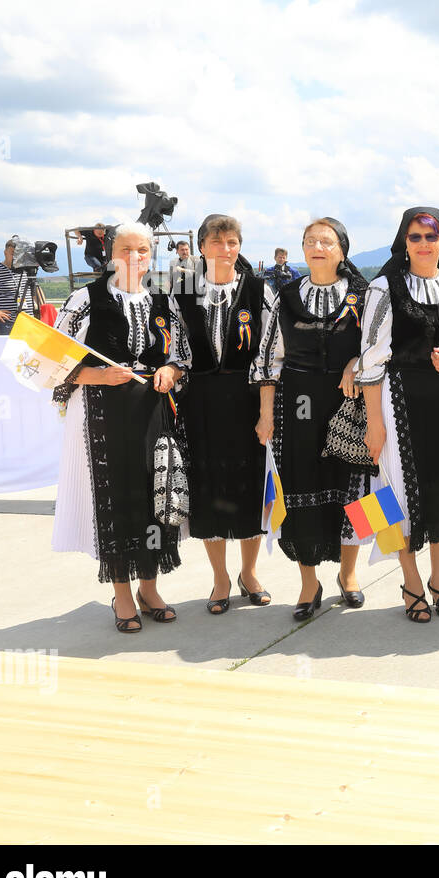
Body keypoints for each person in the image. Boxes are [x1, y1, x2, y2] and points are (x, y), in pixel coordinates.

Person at [50, 222, 190, 633]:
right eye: (126, 249)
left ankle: (150, 586)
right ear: (111, 253)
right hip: (101, 414)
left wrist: (169, 369)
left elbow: (182, 355)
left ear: (151, 254)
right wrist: (95, 376)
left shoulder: (164, 299)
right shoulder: (86, 298)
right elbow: (52, 355)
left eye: (142, 250)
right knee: (117, 498)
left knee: (154, 491)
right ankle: (122, 593)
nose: (134, 257)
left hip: (152, 411)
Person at [357, 207, 439, 623]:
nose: (424, 244)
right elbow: (371, 361)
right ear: (404, 242)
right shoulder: (384, 288)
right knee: (397, 497)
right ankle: (410, 581)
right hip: (400, 407)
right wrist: (374, 424)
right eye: (415, 237)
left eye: (432, 237)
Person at [252, 218, 373, 620]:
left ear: (342, 249)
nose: (317, 246)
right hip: (297, 405)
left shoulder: (363, 293)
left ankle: (349, 575)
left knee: (352, 489)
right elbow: (271, 357)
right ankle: (308, 582)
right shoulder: (283, 296)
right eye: (310, 240)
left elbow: (377, 345)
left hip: (348, 400)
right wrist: (265, 414)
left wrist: (355, 361)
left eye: (326, 240)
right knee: (301, 491)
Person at [172, 214, 271, 614]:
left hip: (246, 398)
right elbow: (174, 345)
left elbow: (269, 351)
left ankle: (249, 573)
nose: (225, 250)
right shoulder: (181, 291)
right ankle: (220, 578)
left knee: (249, 487)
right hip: (201, 401)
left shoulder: (259, 289)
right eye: (217, 242)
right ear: (201, 248)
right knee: (208, 487)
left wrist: (267, 411)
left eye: (232, 242)